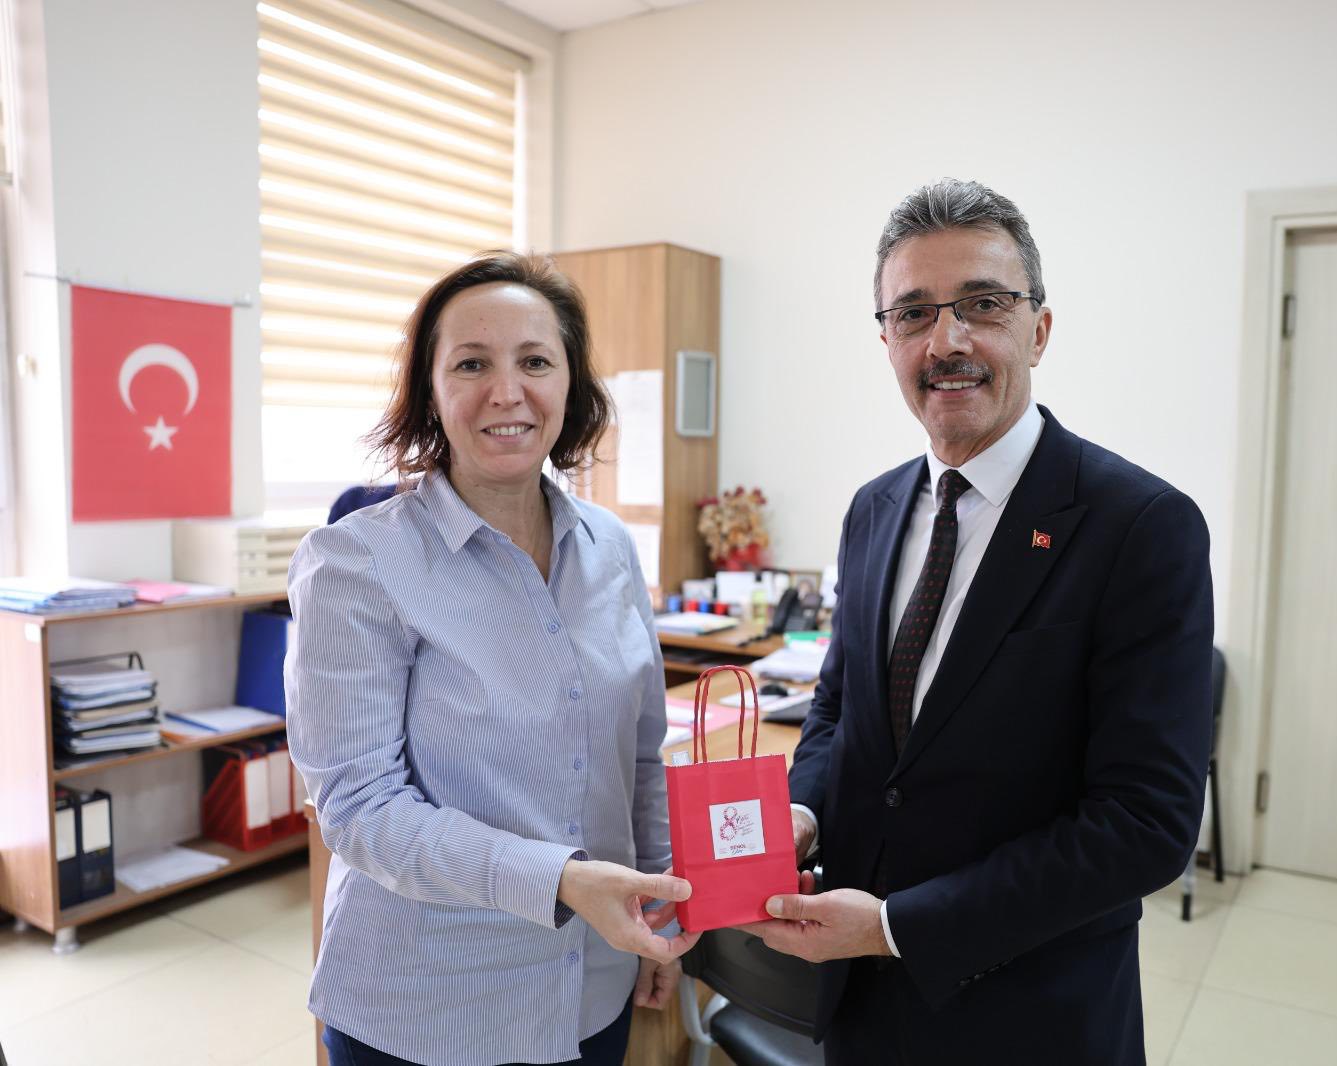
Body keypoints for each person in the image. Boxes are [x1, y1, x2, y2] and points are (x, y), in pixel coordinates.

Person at [745, 180, 1215, 1064]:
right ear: (886, 340)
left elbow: (1146, 823)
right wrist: (804, 809)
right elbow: (840, 711)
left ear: (1038, 330)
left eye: (983, 305)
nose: (947, 341)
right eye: (914, 313)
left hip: (1031, 1012)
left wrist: (898, 926)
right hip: (859, 1005)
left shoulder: (1139, 526)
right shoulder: (873, 509)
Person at [286, 251, 698, 1066]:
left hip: (594, 983)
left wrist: (660, 906)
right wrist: (560, 880)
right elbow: (361, 812)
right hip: (429, 1009)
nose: (507, 392)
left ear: (571, 385)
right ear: (430, 391)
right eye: (471, 364)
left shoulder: (611, 547)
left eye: (535, 362)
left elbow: (641, 758)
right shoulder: (357, 563)